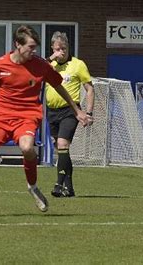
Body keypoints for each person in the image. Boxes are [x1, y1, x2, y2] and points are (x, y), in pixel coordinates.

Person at [0, 25, 89, 217]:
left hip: (27, 114)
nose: (34, 50)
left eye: (35, 46)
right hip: (0, 115)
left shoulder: (41, 65)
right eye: (30, 46)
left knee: (27, 148)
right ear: (17, 45)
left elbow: (59, 86)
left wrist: (77, 110)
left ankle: (32, 186)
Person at [45, 31, 94, 197]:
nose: (61, 52)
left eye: (64, 48)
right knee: (61, 150)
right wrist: (51, 58)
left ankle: (58, 185)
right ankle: (69, 188)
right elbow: (34, 73)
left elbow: (89, 89)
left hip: (70, 110)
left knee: (63, 144)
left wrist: (88, 112)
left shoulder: (78, 64)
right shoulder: (49, 66)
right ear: (52, 48)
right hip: (51, 111)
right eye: (58, 48)